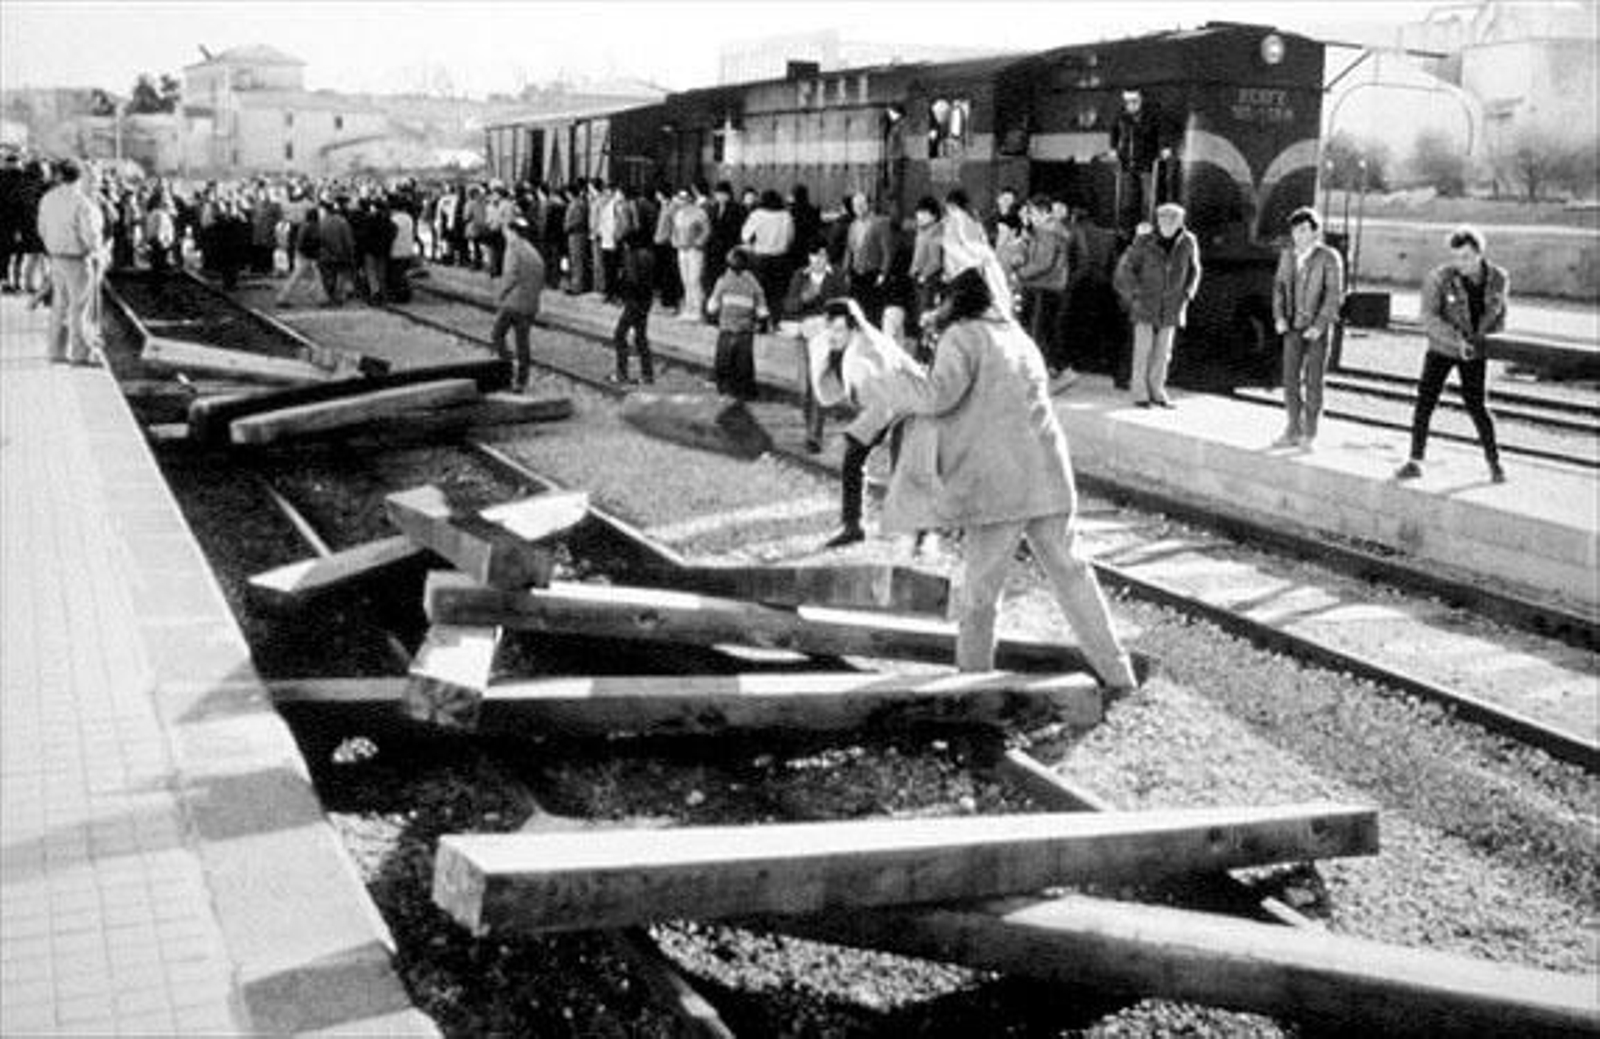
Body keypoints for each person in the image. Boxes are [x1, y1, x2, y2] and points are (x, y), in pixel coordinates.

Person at [858, 265, 1139, 688]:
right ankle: (1118, 672)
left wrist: (893, 373)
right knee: (1073, 574)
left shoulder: (963, 336)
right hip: (1047, 475)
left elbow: (938, 397)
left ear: (957, 301)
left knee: (981, 591)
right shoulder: (1018, 336)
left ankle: (972, 682)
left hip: (999, 488)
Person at [1395, 226, 1507, 484]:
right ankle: (1415, 460)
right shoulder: (1439, 278)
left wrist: (1488, 344)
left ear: (1480, 254)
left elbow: (1500, 315)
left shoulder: (1499, 278)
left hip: (1475, 352)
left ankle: (1495, 463)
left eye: (1467, 257)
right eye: (1456, 257)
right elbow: (1428, 318)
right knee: (1426, 402)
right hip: (1442, 348)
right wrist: (1458, 341)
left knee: (1477, 405)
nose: (1461, 264)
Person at [811, 297, 922, 549]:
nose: (833, 336)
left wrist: (851, 435)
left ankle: (920, 536)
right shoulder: (844, 347)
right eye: (829, 329)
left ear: (854, 328)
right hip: (891, 401)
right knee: (854, 459)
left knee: (901, 467)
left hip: (912, 403)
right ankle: (853, 526)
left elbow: (885, 404)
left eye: (839, 330)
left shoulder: (864, 354)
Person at [1113, 202, 1200, 408]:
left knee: (1163, 352)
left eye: (1172, 220)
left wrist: (1187, 294)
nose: (1167, 223)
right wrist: (1135, 293)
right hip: (1145, 303)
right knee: (1143, 351)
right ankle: (1140, 394)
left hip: (1172, 305)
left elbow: (1195, 270)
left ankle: (1158, 391)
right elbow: (1127, 268)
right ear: (1158, 220)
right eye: (1163, 219)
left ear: (1180, 222)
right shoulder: (1144, 241)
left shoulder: (1189, 241)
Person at [1271, 206, 1345, 448]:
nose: (1298, 235)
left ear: (1315, 232)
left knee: (1314, 380)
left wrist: (1320, 325)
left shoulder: (1328, 256)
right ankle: (1292, 427)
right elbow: (1279, 288)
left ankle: (1310, 432)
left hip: (1316, 330)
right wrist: (1279, 316)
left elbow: (1334, 294)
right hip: (1292, 326)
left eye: (1304, 230)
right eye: (1295, 230)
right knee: (1289, 379)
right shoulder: (1287, 255)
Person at [782, 239, 851, 453]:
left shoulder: (837, 276)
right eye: (813, 256)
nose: (817, 260)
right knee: (804, 386)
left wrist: (827, 319)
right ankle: (809, 427)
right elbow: (788, 305)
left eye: (821, 256)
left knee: (817, 384)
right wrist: (804, 297)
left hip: (824, 335)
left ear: (827, 257)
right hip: (804, 334)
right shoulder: (800, 276)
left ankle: (814, 435)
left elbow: (844, 306)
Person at [36, 158, 105, 366]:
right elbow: (90, 234)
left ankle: (56, 351)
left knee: (59, 305)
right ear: (80, 177)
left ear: (59, 175)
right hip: (77, 259)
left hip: (55, 258)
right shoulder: (82, 202)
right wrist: (97, 252)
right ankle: (80, 354)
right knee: (79, 308)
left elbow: (42, 228)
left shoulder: (48, 198)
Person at [492, 217, 546, 392]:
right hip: (531, 304)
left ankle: (506, 371)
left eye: (506, 231)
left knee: (497, 334)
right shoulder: (532, 250)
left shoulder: (513, 248)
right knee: (523, 343)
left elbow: (510, 276)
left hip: (514, 303)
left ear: (513, 232)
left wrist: (499, 296)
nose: (505, 234)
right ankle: (521, 381)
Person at [706, 246, 767, 400]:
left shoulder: (723, 281)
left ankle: (724, 387)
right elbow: (761, 305)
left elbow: (712, 306)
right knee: (744, 363)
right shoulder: (753, 282)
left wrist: (711, 314)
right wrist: (762, 321)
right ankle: (746, 391)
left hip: (727, 327)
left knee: (724, 360)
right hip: (745, 329)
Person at [610, 226, 656, 385]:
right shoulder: (649, 255)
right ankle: (647, 374)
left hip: (633, 300)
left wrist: (622, 293)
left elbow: (632, 279)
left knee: (619, 335)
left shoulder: (631, 256)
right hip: (646, 300)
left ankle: (621, 373)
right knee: (641, 337)